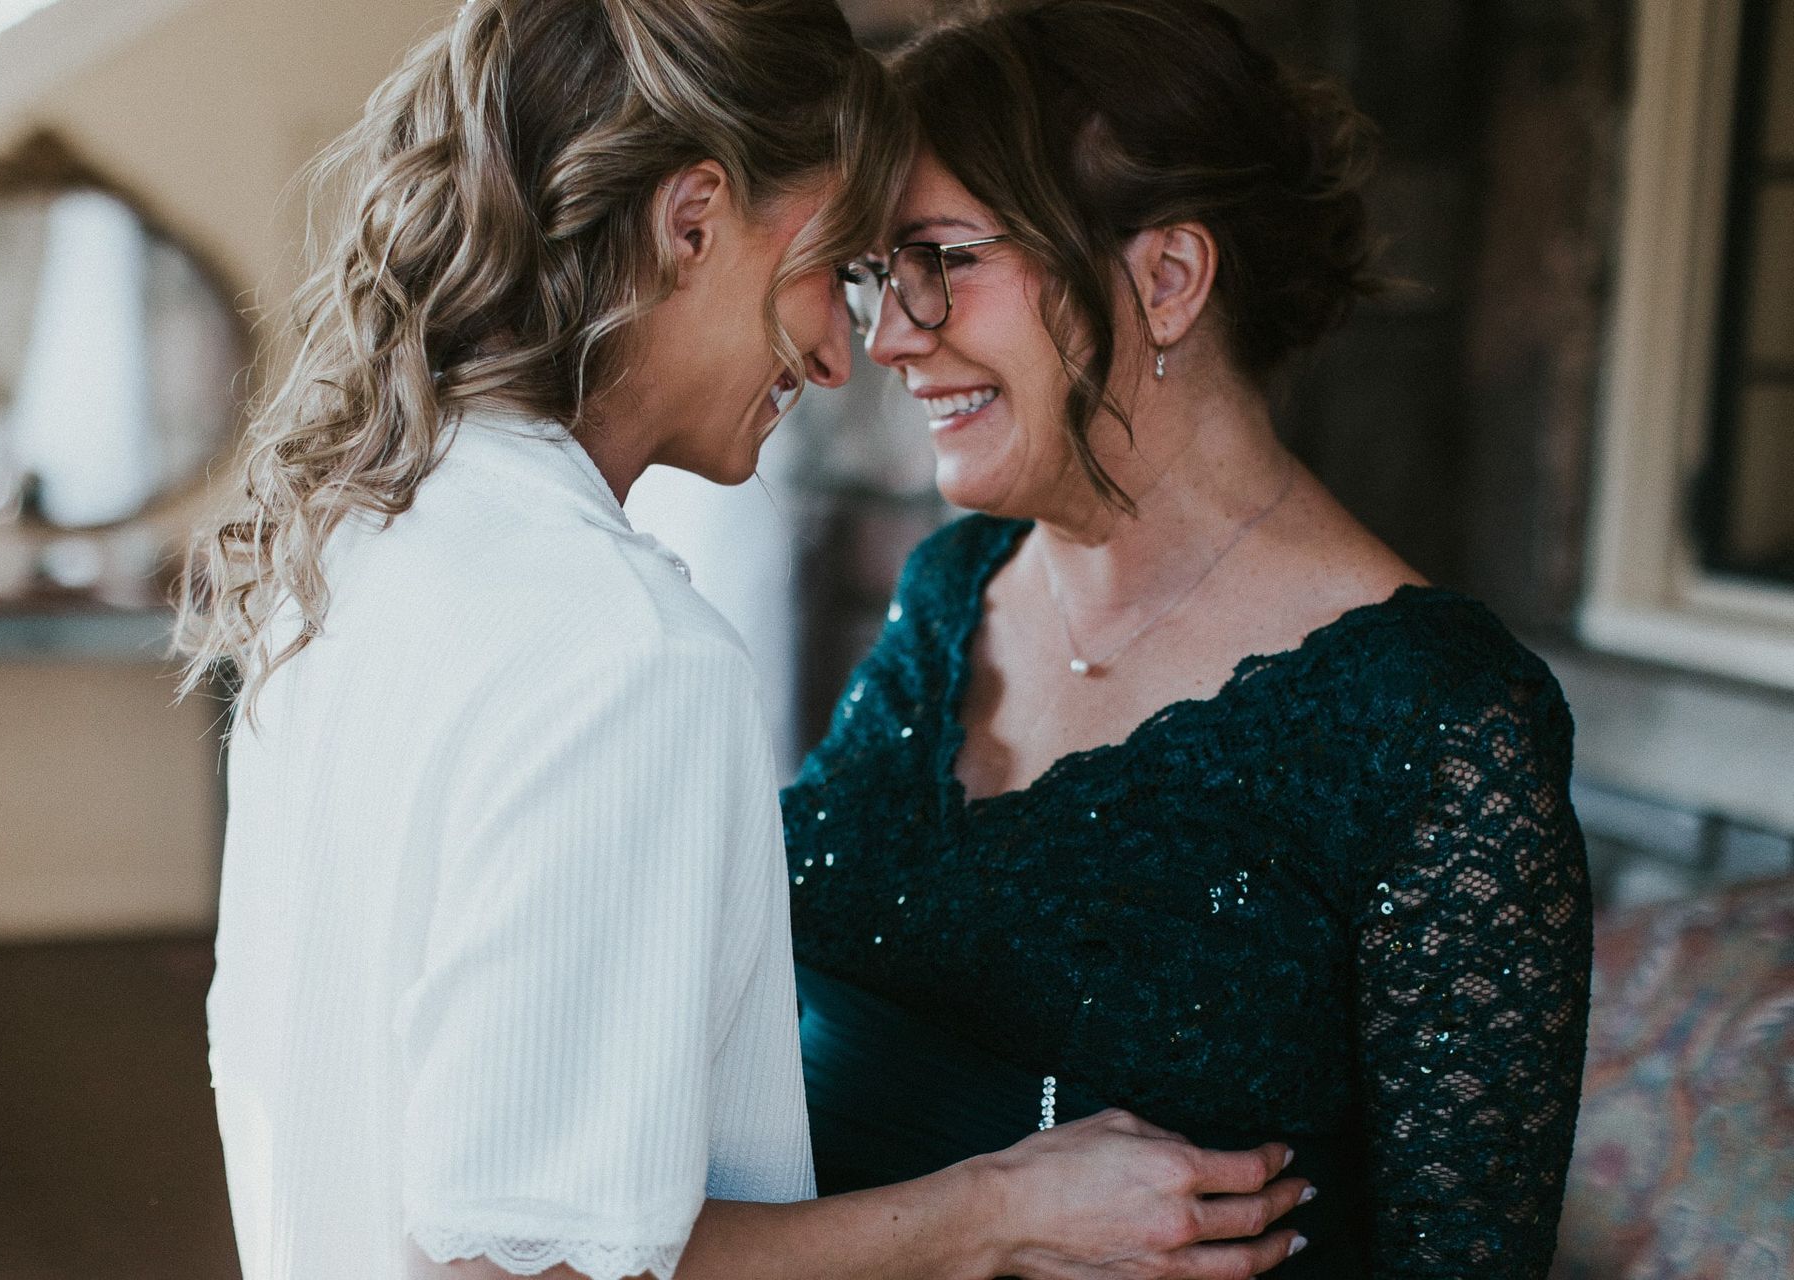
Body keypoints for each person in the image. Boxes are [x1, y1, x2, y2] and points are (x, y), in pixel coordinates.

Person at [177, 2, 1313, 1278]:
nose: (842, 353)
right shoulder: (623, 655)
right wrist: (994, 1211)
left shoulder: (353, 547)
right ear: (695, 218)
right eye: (839, 267)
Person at [787, 1, 1594, 1276]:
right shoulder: (954, 588)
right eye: (880, 274)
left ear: (1166, 279)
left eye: (942, 258)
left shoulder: (1436, 720)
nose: (889, 333)